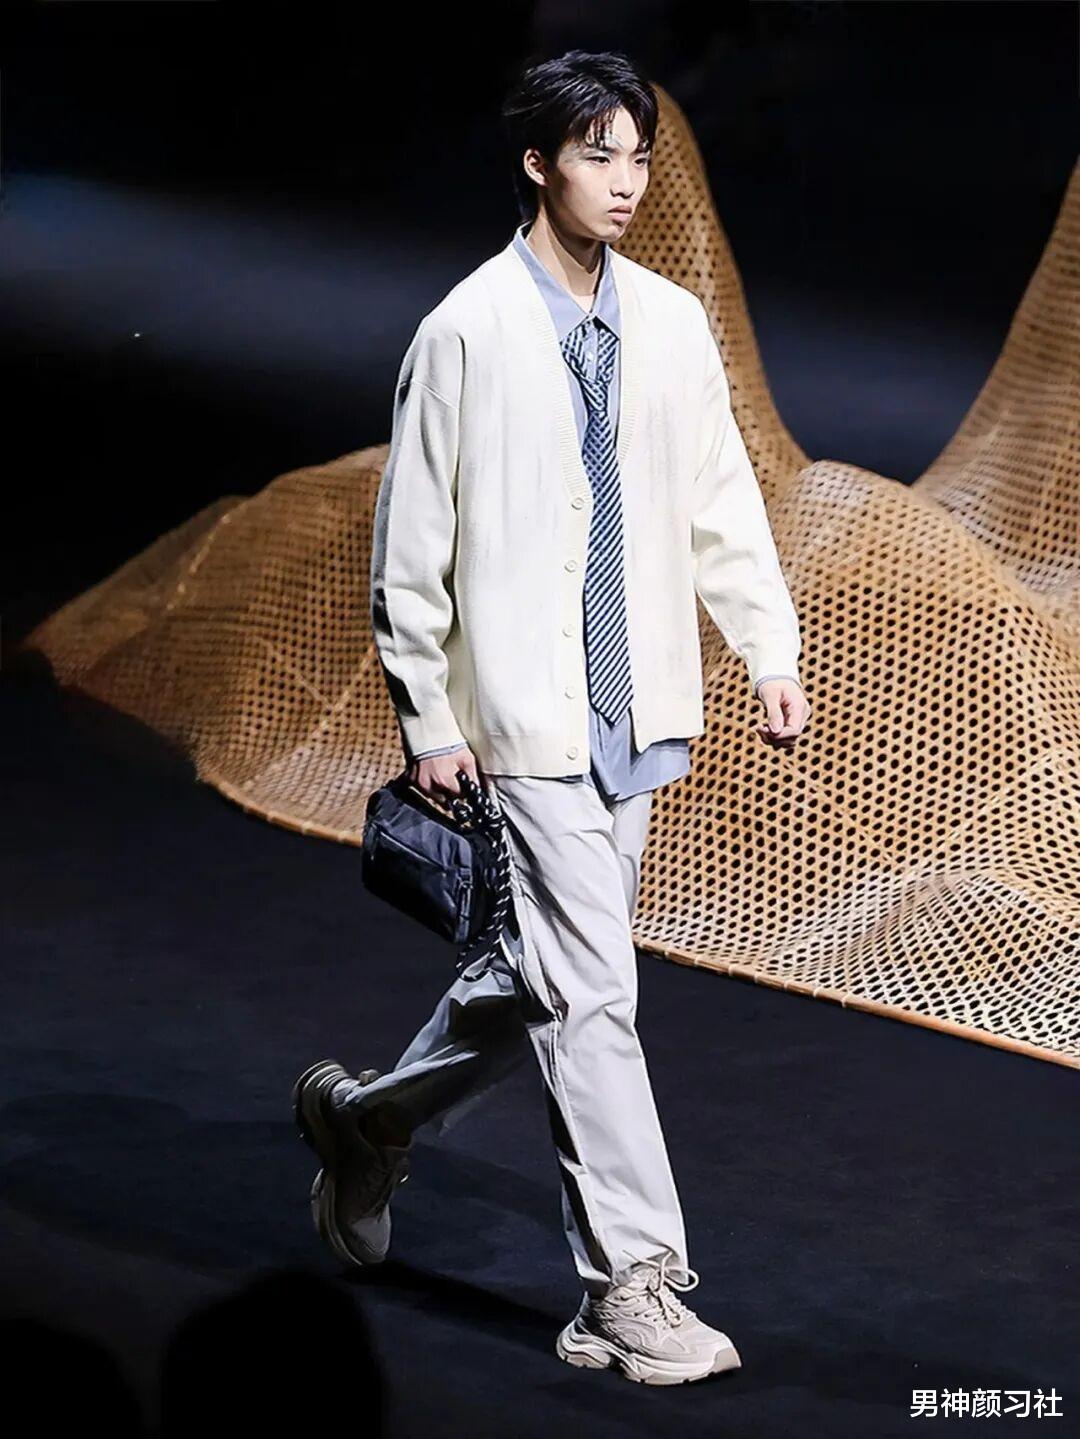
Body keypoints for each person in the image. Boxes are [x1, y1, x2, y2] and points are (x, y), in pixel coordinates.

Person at [294, 48, 811, 1387]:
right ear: (538, 163)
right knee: (594, 995)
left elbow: (719, 497)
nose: (625, 182)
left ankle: (366, 1123)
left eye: (639, 156)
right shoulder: (465, 331)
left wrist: (765, 645)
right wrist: (427, 711)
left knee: (543, 979)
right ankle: (633, 1283)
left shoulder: (672, 325)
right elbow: (411, 544)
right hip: (522, 721)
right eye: (597, 154)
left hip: (637, 710)